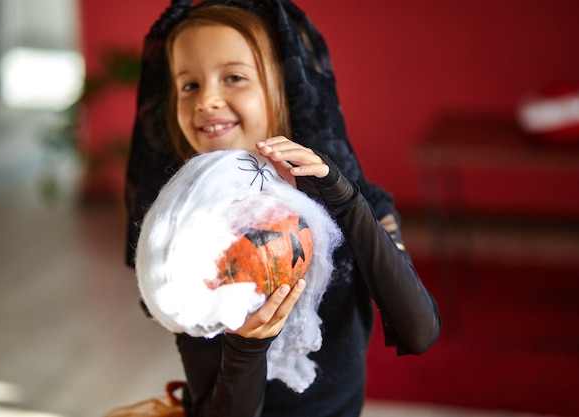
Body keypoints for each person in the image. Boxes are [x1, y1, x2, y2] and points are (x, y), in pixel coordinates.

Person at [124, 1, 441, 416]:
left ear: (284, 85)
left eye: (233, 77)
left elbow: (419, 332)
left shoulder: (358, 206)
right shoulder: (185, 237)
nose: (207, 101)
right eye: (189, 85)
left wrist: (345, 202)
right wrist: (246, 346)